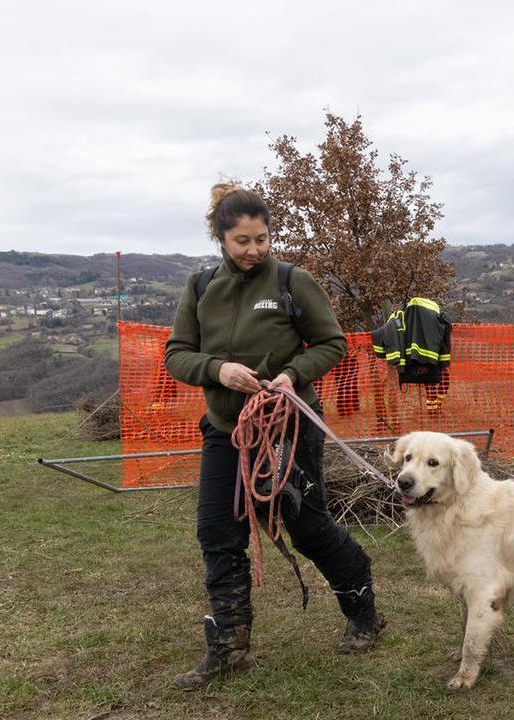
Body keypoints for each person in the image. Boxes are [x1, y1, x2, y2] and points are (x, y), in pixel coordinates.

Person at [164, 184, 384, 690]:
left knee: (305, 525)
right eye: (242, 240)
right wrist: (217, 370)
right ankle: (229, 647)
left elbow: (332, 343)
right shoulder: (200, 288)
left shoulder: (291, 281)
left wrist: (290, 375)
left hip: (289, 423)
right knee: (217, 533)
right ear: (220, 237)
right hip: (225, 430)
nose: (254, 250)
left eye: (261, 238)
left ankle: (364, 613)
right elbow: (177, 353)